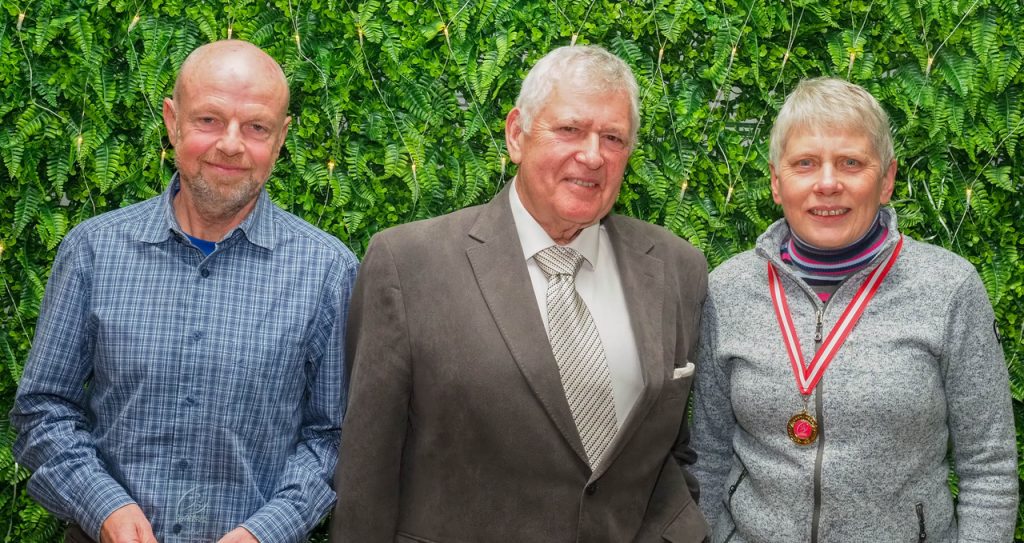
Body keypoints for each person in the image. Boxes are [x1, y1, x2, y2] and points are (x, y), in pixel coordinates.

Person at [331, 44, 709, 542]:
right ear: (516, 135)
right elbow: (367, 474)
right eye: (569, 129)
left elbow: (671, 453)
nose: (592, 155)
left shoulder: (677, 268)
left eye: (613, 138)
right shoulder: (408, 265)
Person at [11, 40, 358, 543]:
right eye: (209, 120)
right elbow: (44, 409)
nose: (231, 144)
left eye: (256, 127)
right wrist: (104, 507)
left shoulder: (328, 271)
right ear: (172, 121)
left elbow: (333, 437)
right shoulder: (93, 251)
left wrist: (265, 531)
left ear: (281, 138)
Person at [691, 77, 1018, 542]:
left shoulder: (949, 288)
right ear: (776, 182)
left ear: (887, 180)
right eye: (805, 163)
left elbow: (989, 467)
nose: (828, 183)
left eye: (851, 163)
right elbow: (707, 455)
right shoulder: (727, 290)